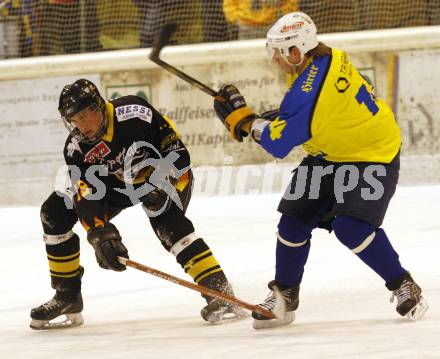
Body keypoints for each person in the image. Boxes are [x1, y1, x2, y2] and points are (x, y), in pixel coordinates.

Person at [213, 12, 429, 329]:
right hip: (331, 153)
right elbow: (310, 112)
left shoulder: (308, 92)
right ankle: (285, 296)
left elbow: (277, 143)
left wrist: (245, 122)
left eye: (277, 52)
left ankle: (403, 284)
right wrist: (279, 119)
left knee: (351, 228)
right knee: (292, 224)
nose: (274, 59)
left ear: (296, 52)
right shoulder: (327, 58)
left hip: (372, 156)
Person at [30, 79, 245, 330]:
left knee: (167, 220)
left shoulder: (136, 113)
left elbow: (176, 152)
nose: (80, 126)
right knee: (54, 211)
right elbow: (87, 192)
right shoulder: (76, 148)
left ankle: (218, 290)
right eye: (73, 120)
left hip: (161, 177)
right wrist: (100, 235)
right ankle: (67, 297)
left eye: (85, 116)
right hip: (115, 189)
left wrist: (165, 185)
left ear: (98, 107)